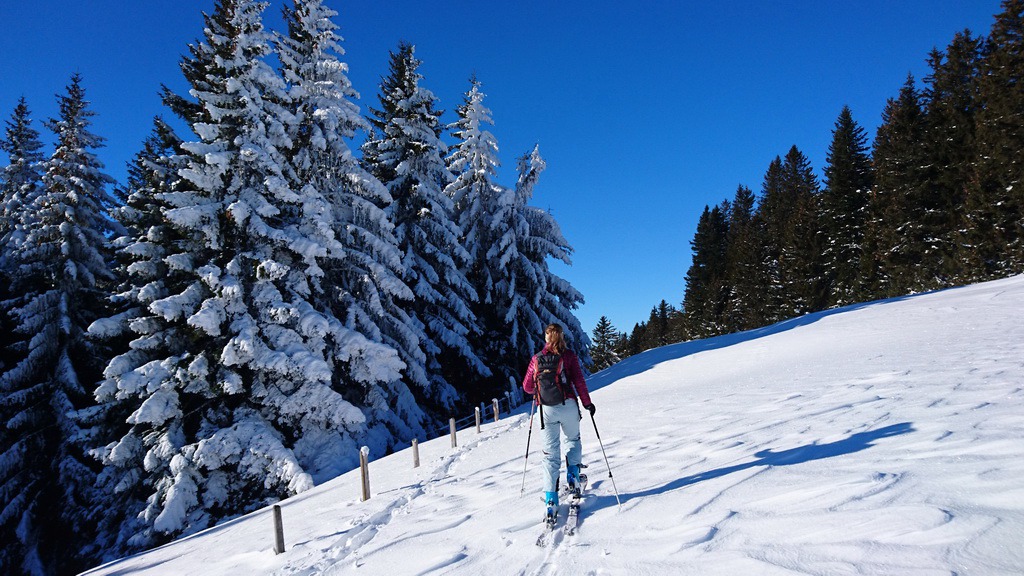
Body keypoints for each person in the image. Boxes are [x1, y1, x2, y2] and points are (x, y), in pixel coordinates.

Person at [522, 323, 595, 511]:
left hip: (546, 410)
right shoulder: (569, 356)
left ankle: (551, 499)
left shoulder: (536, 359)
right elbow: (579, 381)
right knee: (572, 439)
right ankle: (573, 475)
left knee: (550, 454)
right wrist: (587, 403)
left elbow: (527, 387)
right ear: (562, 337)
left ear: (546, 338)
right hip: (568, 405)